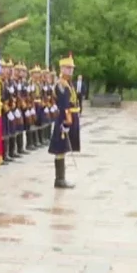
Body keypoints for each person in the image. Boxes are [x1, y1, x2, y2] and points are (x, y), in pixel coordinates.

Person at [50, 52, 80, 188]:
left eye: (72, 68)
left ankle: (61, 178)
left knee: (64, 148)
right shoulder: (61, 84)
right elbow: (64, 104)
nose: (71, 70)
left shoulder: (69, 83)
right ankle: (59, 179)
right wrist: (68, 119)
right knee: (60, 148)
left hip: (71, 116)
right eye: (68, 68)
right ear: (62, 69)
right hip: (64, 118)